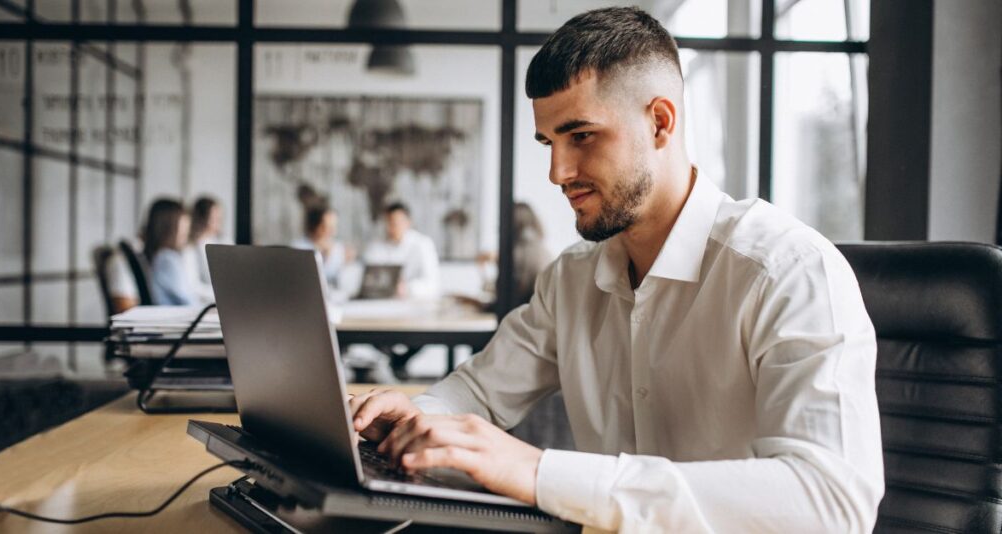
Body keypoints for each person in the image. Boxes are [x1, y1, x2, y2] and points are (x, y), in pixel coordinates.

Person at [348, 7, 883, 532]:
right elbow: (480, 392)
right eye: (549, 143)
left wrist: (538, 471)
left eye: (581, 136)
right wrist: (418, 415)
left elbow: (832, 500)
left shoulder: (788, 272)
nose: (558, 173)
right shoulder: (571, 279)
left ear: (660, 122)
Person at [362, 202, 441, 299]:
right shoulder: (376, 246)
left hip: (416, 303)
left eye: (398, 222)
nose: (394, 227)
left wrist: (407, 288)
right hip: (383, 303)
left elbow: (432, 284)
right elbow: (368, 282)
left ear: (408, 222)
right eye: (390, 223)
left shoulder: (423, 244)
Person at [143, 198, 196, 306]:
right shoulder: (167, 259)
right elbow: (188, 301)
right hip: (178, 318)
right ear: (168, 229)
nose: (186, 235)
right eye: (183, 232)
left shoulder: (158, 255)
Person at [291, 204, 351, 288]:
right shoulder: (298, 249)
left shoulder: (338, 249)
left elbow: (342, 281)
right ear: (315, 226)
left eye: (334, 226)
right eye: (327, 227)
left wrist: (347, 264)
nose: (332, 232)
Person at [183, 196, 223, 303]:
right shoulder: (190, 248)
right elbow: (193, 286)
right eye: (214, 218)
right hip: (206, 302)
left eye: (219, 218)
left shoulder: (222, 241)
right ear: (202, 219)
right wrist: (221, 295)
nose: (219, 222)